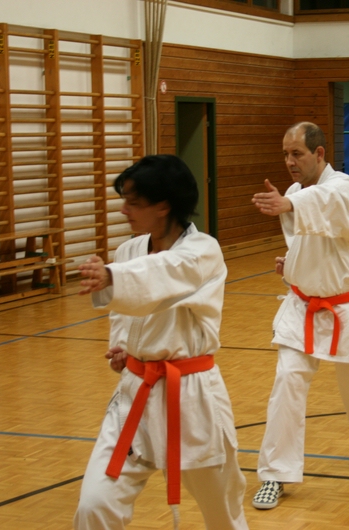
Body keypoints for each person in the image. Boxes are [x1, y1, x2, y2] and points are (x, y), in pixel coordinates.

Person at [73, 155, 248, 530]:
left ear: (163, 205)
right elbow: (125, 312)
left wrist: (111, 276)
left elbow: (163, 275)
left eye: (134, 203)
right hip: (136, 394)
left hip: (191, 398)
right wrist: (123, 347)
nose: (124, 210)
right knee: (95, 506)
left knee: (223, 514)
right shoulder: (129, 252)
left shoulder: (202, 251)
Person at [250, 122, 349, 511]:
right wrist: (293, 266)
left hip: (348, 306)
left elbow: (328, 205)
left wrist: (288, 204)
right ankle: (275, 473)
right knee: (287, 380)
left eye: (296, 153)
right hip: (303, 307)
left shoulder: (342, 186)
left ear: (319, 153)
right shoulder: (295, 193)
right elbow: (311, 245)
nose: (289, 161)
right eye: (285, 154)